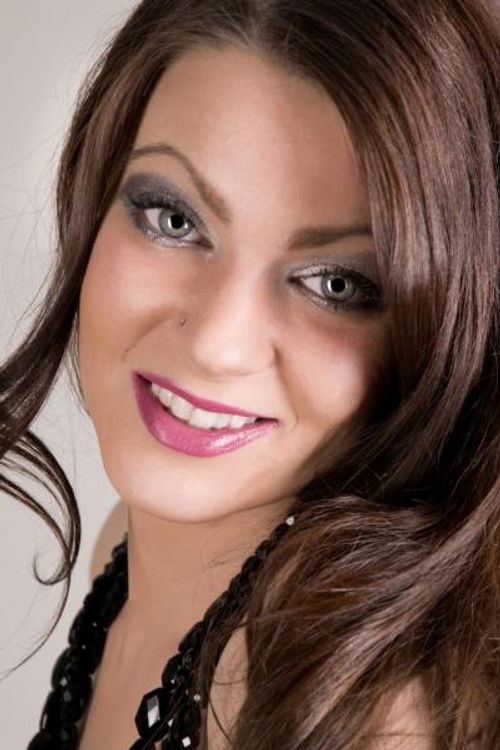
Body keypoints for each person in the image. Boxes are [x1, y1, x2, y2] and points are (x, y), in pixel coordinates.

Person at [2, 0, 499, 747]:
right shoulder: (128, 547)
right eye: (173, 219)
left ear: (440, 335)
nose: (217, 343)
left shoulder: (365, 722)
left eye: (336, 284)